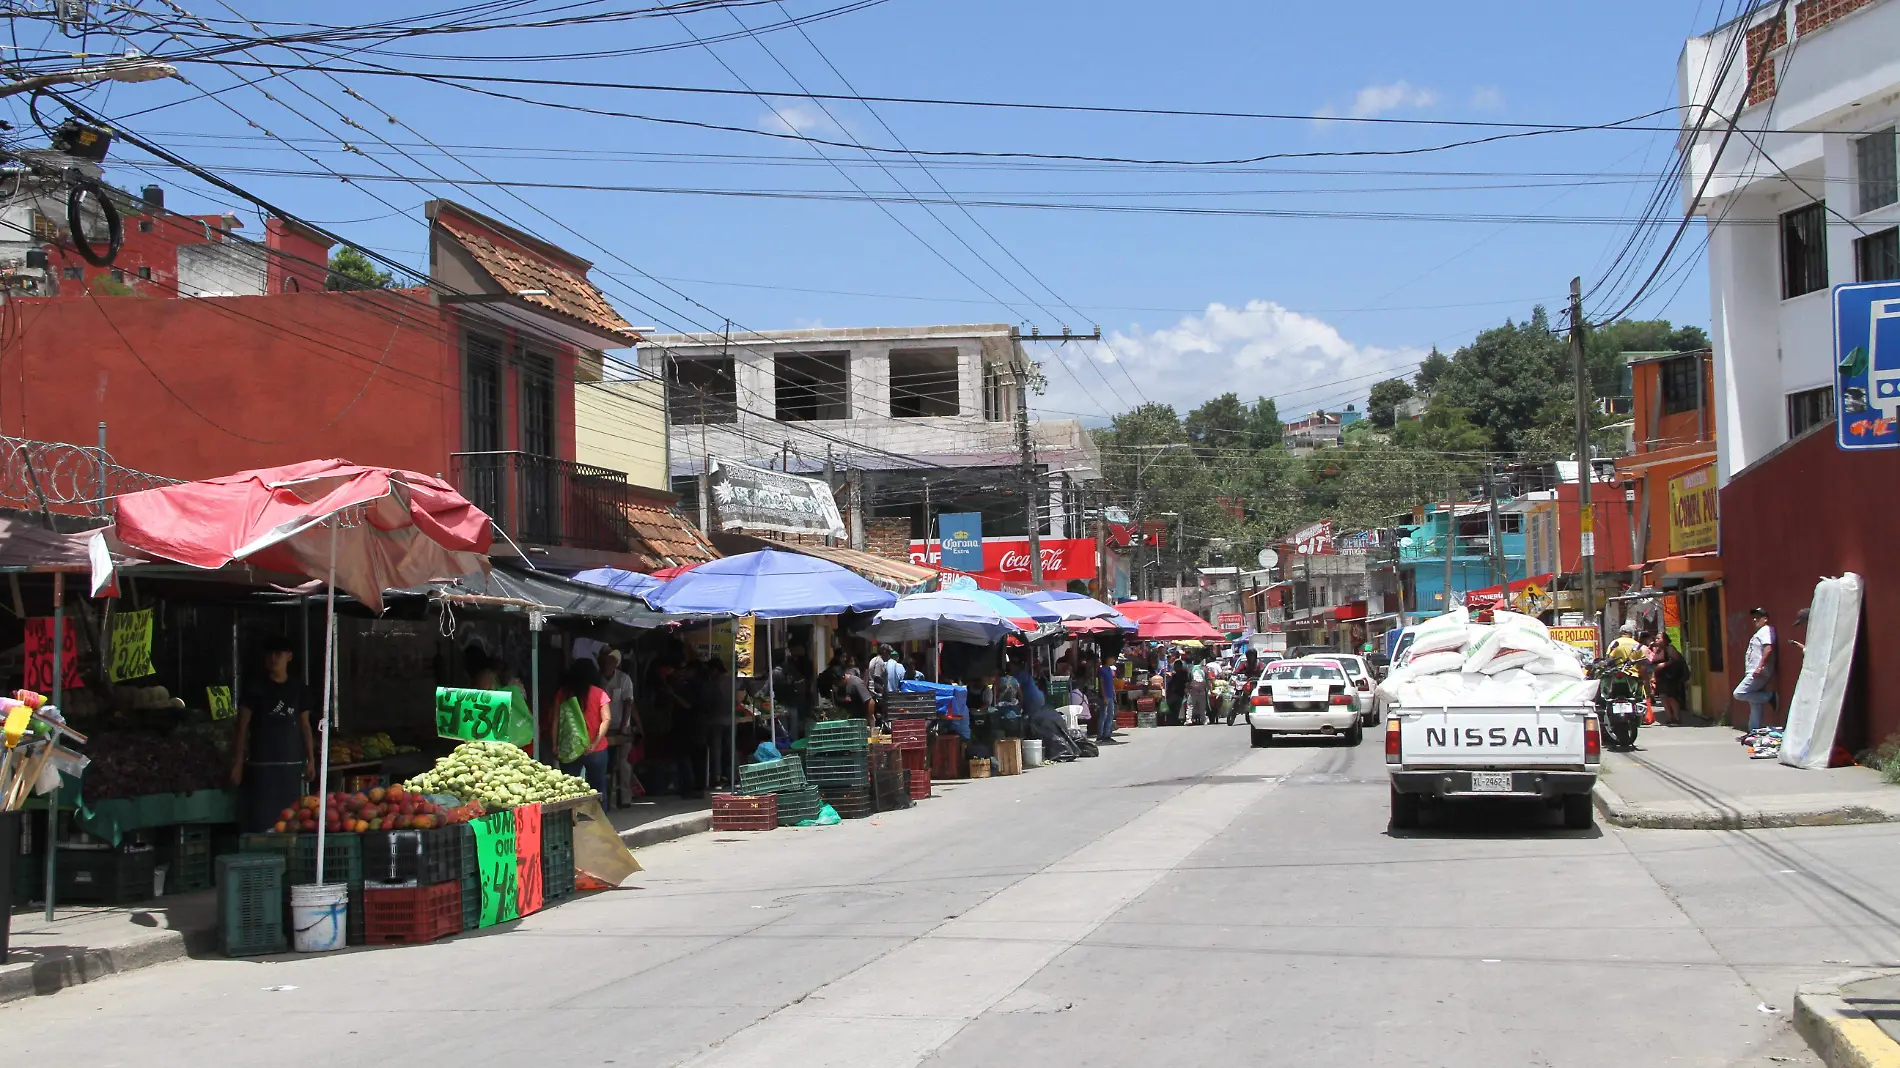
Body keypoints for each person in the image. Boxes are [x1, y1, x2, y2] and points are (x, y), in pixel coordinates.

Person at [232, 637, 316, 833]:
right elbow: (242, 726)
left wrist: (310, 759)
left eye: (278, 654)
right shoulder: (255, 688)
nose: (273, 658)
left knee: (291, 822)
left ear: (289, 657)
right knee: (263, 822)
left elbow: (305, 725)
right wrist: (237, 763)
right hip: (262, 768)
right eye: (269, 654)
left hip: (291, 768)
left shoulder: (298, 689)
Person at [555, 657, 612, 798]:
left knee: (569, 789)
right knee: (598, 788)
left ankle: (571, 819)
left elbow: (556, 720)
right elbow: (607, 719)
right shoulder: (599, 693)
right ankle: (600, 819)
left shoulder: (563, 693)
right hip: (596, 750)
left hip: (570, 749)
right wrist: (594, 743)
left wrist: (555, 744)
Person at [597, 649, 640, 807]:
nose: (605, 664)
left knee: (623, 763)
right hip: (603, 727)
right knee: (604, 764)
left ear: (615, 663)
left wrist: (623, 726)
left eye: (608, 661)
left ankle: (625, 798)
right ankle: (607, 800)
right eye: (603, 661)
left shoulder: (624, 679)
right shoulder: (597, 679)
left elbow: (629, 703)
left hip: (621, 726)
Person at [1734, 607, 1778, 732]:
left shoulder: (1766, 630)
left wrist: (1760, 666)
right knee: (1755, 704)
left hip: (1758, 671)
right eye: (1754, 618)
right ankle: (1753, 731)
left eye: (1758, 618)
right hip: (1754, 670)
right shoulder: (1759, 632)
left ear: (1765, 619)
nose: (1754, 620)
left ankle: (1769, 697)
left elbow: (1768, 648)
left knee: (1739, 693)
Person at [1648, 632, 1688, 726]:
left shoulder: (1670, 648)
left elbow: (1678, 660)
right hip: (1661, 677)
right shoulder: (1657, 650)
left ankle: (1677, 717)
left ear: (1665, 640)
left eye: (1659, 638)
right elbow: (1652, 659)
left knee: (1671, 697)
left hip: (1670, 677)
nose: (1656, 640)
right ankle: (1670, 717)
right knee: (1663, 697)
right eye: (1656, 639)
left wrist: (1664, 665)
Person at [1167, 654, 1191, 727]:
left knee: (1176, 708)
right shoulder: (1175, 674)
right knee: (1173, 708)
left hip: (1178, 693)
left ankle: (1174, 720)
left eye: (1177, 666)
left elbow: (1186, 683)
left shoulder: (1183, 673)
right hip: (1174, 693)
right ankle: (1173, 720)